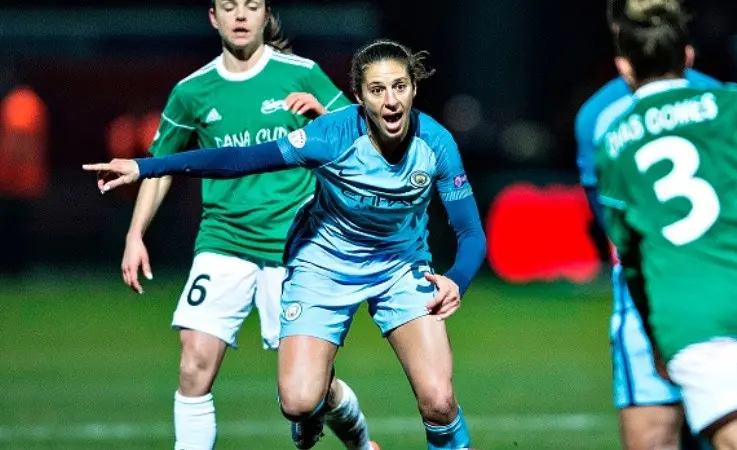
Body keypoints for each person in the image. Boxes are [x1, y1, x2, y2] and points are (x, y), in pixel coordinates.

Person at [85, 38, 486, 450]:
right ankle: (316, 409)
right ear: (358, 96)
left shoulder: (436, 145)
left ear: (414, 89)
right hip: (323, 265)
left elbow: (471, 233)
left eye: (399, 87)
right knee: (297, 401)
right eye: (377, 89)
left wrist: (457, 278)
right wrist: (144, 167)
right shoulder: (331, 135)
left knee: (439, 401)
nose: (390, 101)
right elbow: (240, 160)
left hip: (399, 265)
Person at [118, 0, 376, 448]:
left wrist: (321, 114)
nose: (241, 15)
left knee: (310, 390)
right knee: (193, 363)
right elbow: (161, 166)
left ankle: (359, 441)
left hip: (296, 250)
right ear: (213, 17)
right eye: (230, 7)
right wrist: (135, 233)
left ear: (265, 15)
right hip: (223, 242)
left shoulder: (301, 73)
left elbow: (360, 136)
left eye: (251, 6)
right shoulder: (192, 91)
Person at [594, 0, 737, 448]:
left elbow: (628, 255)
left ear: (624, 68)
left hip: (692, 315)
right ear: (688, 56)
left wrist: (654, 334)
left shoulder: (614, 144)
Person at [574, 0, 719, 447]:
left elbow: (616, 229)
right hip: (728, 285)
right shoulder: (727, 101)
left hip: (658, 293)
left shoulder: (601, 117)